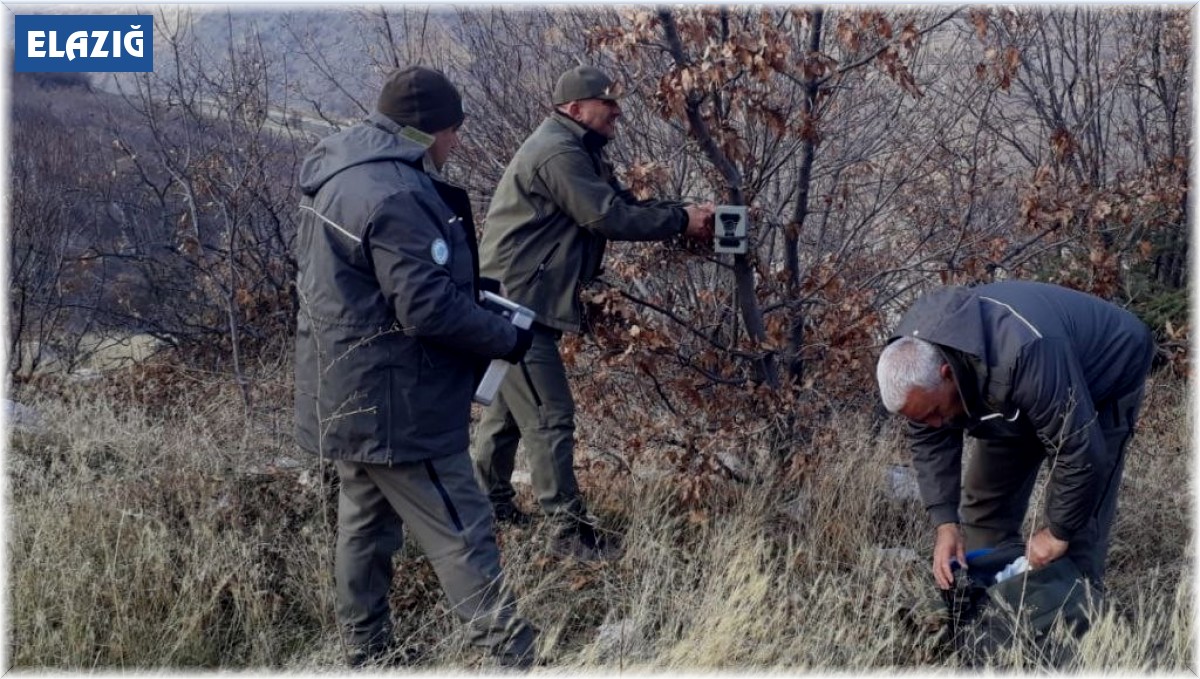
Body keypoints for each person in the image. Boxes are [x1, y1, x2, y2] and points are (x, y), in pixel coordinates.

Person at [294, 65, 538, 668]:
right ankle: (514, 656)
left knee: (366, 527)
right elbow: (425, 308)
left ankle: (367, 652)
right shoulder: (398, 193)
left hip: (345, 391)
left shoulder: (340, 175)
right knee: (462, 528)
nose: (456, 144)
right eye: (454, 131)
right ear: (428, 131)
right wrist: (503, 335)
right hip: (400, 403)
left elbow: (370, 290)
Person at [471, 65, 715, 558]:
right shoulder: (559, 152)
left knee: (508, 414)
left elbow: (620, 202)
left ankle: (486, 509)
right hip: (517, 307)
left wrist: (682, 212)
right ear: (576, 108)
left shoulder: (577, 148)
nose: (618, 111)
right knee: (549, 414)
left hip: (512, 300)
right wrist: (680, 221)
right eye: (608, 103)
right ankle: (568, 533)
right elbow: (607, 217)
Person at [876, 280, 1155, 596]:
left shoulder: (1023, 350)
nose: (935, 424)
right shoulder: (920, 373)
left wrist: (1056, 533)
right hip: (1016, 391)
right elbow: (930, 438)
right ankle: (998, 605)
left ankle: (1073, 617)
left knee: (1076, 528)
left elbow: (1079, 450)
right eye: (922, 418)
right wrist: (945, 523)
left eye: (935, 412)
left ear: (946, 373)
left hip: (1106, 369)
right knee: (984, 506)